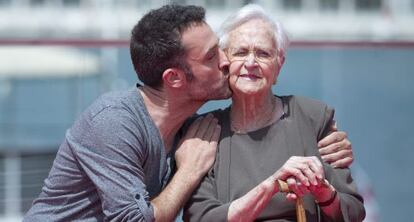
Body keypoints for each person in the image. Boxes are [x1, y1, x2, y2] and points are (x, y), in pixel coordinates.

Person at [24, 4, 355, 222]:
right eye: (213, 57)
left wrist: (330, 143)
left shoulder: (189, 128)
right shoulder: (114, 122)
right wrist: (189, 172)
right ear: (175, 79)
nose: (227, 63)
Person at [184, 4, 365, 222]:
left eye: (263, 53)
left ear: (279, 65)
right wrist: (273, 184)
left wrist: (325, 194)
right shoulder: (206, 132)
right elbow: (200, 218)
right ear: (225, 62)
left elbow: (353, 212)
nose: (250, 63)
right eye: (240, 52)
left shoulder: (313, 117)